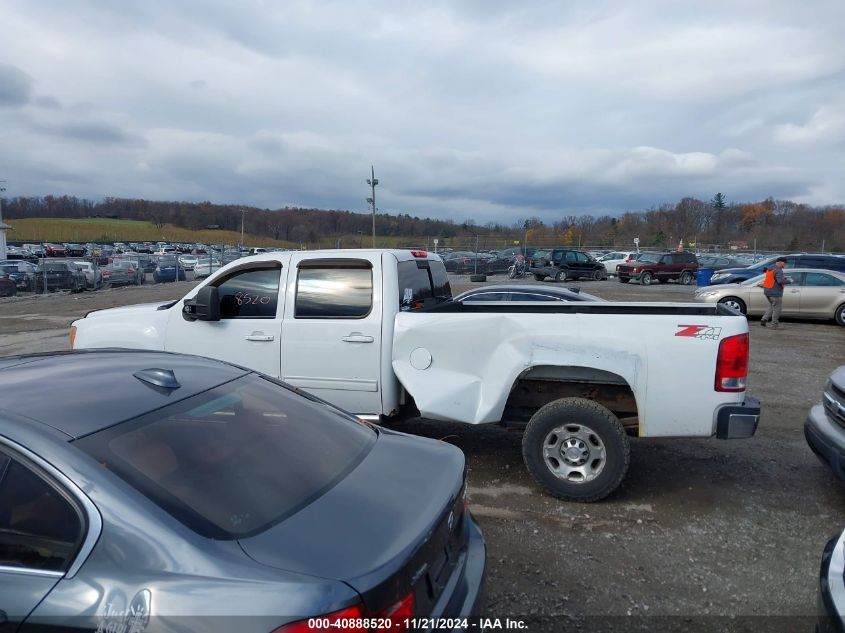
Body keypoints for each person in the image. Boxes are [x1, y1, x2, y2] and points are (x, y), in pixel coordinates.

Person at [760, 257, 792, 329]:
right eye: (785, 262)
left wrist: (784, 279)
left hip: (767, 291)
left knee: (771, 306)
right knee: (777, 309)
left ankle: (764, 319)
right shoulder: (778, 270)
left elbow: (774, 279)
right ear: (780, 262)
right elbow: (780, 281)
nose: (785, 264)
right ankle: (774, 325)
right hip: (775, 292)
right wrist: (789, 281)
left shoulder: (770, 269)